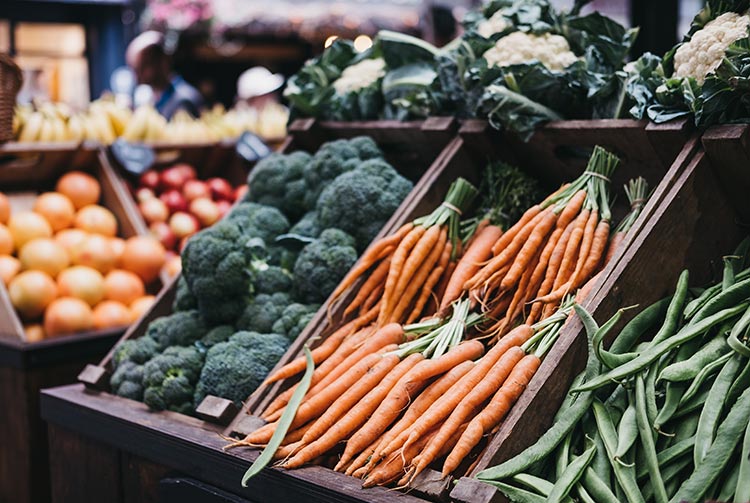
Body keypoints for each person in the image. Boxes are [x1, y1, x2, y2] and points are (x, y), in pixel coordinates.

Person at [125, 31, 203, 119]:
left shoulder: (184, 101)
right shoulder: (153, 97)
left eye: (142, 67)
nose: (137, 75)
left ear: (162, 61)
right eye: (134, 69)